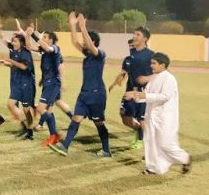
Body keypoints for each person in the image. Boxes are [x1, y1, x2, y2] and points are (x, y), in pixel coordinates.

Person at [50, 12, 112, 157]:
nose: (83, 43)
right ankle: (64, 146)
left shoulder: (100, 54)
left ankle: (106, 150)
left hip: (97, 95)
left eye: (86, 40)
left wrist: (83, 27)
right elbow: (75, 42)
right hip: (84, 94)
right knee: (76, 118)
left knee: (98, 123)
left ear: (93, 42)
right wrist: (73, 26)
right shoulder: (88, 54)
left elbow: (89, 45)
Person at [125, 52, 191, 175]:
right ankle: (153, 168)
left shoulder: (169, 78)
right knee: (150, 142)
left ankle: (185, 158)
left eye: (154, 63)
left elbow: (165, 96)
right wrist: (135, 96)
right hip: (151, 116)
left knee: (165, 144)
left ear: (162, 65)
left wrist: (144, 95)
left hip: (165, 117)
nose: (151, 65)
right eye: (151, 63)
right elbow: (146, 96)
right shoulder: (154, 78)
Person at [0, 22, 36, 141]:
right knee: (10, 104)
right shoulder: (12, 49)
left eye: (15, 41)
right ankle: (24, 124)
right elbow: (3, 39)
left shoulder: (25, 52)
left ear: (21, 43)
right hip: (15, 83)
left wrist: (10, 61)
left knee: (26, 109)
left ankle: (30, 131)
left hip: (26, 83)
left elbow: (24, 67)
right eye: (12, 41)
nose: (12, 43)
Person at [26, 26, 64, 146]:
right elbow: (29, 47)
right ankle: (54, 135)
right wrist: (27, 35)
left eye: (45, 37)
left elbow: (48, 48)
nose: (43, 39)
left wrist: (34, 35)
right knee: (46, 109)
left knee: (40, 108)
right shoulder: (43, 50)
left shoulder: (55, 48)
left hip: (53, 83)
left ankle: (54, 134)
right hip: (48, 83)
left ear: (51, 40)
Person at [118, 28, 154, 149]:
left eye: (138, 34)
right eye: (134, 34)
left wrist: (146, 78)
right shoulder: (131, 56)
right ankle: (139, 130)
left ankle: (144, 141)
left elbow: (163, 74)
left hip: (143, 94)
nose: (134, 36)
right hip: (129, 92)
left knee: (141, 118)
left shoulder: (151, 55)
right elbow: (126, 71)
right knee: (124, 116)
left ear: (145, 39)